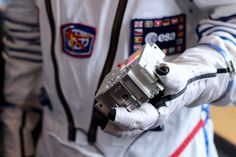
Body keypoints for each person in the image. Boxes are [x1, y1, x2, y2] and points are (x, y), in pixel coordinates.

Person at [1, 0, 236, 157]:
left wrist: (189, 77)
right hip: (53, 145)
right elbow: (25, 46)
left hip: (165, 148)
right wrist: (15, 139)